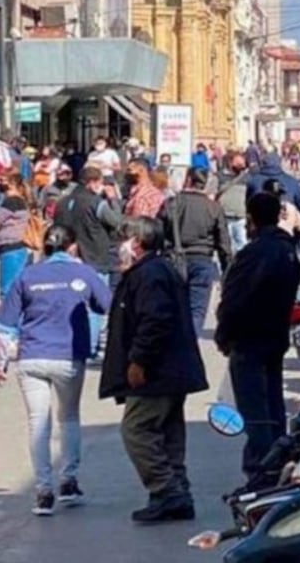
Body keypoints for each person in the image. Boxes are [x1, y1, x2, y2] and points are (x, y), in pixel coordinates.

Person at [0, 225, 111, 516]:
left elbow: (5, 324)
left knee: (38, 422)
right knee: (69, 417)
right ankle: (68, 481)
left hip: (31, 356)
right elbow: (105, 304)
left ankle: (43, 491)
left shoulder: (28, 275)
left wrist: (0, 363)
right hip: (69, 357)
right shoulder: (83, 273)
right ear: (72, 247)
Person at [99, 217, 208, 523]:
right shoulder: (154, 271)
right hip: (170, 370)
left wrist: (139, 360)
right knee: (168, 432)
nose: (120, 246)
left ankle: (167, 489)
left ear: (137, 243)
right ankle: (175, 493)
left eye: (125, 239)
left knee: (137, 430)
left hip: (157, 372)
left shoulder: (150, 274)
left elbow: (155, 320)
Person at [216, 193, 300, 485]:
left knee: (255, 409)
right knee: (272, 403)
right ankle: (277, 459)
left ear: (251, 218)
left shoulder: (256, 253)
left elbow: (235, 298)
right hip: (273, 336)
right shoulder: (287, 250)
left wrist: (224, 333)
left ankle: (263, 467)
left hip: (250, 338)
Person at [53, 166, 122, 356]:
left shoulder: (63, 202)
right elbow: (116, 222)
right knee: (95, 306)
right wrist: (113, 199)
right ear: (93, 183)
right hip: (95, 258)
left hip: (67, 258)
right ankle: (90, 348)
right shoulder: (96, 203)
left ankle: (70, 343)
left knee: (70, 304)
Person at [161, 168, 231, 335]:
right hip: (202, 259)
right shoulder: (213, 207)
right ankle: (189, 346)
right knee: (197, 309)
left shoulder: (171, 203)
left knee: (171, 306)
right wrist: (227, 270)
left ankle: (173, 346)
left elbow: (159, 232)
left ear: (188, 180)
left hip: (173, 259)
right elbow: (223, 243)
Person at [0, 172, 32, 300]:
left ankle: (8, 319)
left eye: (2, 180)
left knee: (8, 292)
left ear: (12, 184)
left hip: (12, 249)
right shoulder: (18, 200)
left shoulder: (12, 201)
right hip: (16, 249)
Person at [217, 154, 249, 253]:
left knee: (242, 245)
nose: (241, 165)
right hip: (224, 216)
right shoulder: (220, 176)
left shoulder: (247, 178)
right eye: (238, 163)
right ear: (230, 163)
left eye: (242, 163)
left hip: (241, 217)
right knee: (225, 245)